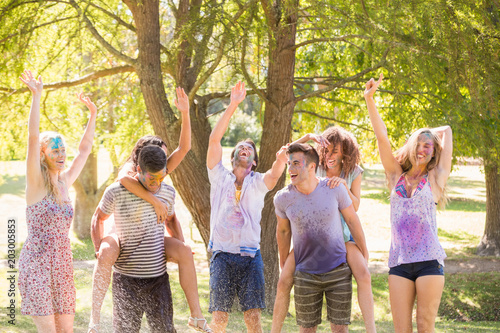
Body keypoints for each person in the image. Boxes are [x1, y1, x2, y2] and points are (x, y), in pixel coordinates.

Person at [88, 88, 212, 332]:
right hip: (124, 244)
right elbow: (122, 184)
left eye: (164, 160)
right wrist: (154, 201)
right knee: (107, 253)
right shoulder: (126, 176)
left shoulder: (163, 177)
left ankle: (196, 316)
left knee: (184, 252)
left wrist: (185, 113)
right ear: (140, 164)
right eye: (160, 155)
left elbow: (184, 148)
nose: (164, 161)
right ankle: (94, 318)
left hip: (155, 264)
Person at [364, 73, 452, 332]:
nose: (423, 149)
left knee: (425, 325)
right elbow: (382, 137)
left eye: (428, 146)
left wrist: (426, 133)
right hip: (400, 263)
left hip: (429, 262)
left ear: (434, 152)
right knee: (400, 329)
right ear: (411, 145)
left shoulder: (436, 179)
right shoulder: (395, 176)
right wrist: (370, 99)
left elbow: (447, 131)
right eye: (419, 144)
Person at [271, 128, 376, 333]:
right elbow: (287, 154)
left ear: (344, 152)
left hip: (343, 237)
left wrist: (343, 185)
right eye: (326, 151)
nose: (329, 156)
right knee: (284, 279)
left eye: (335, 152)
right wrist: (308, 137)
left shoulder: (351, 173)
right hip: (308, 241)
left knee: (363, 273)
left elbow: (354, 211)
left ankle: (371, 329)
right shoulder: (314, 167)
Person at [18, 69, 97, 332]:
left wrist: (93, 115)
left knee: (67, 330)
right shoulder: (36, 182)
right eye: (55, 150)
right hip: (37, 264)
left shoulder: (65, 182)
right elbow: (32, 139)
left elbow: (85, 149)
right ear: (43, 154)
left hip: (63, 264)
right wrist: (37, 96)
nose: (62, 155)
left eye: (63, 150)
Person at [206, 81, 288, 333]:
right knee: (219, 316)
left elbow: (274, 175)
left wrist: (281, 161)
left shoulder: (257, 183)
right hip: (221, 254)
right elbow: (214, 139)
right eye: (241, 147)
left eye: (250, 148)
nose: (245, 149)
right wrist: (233, 105)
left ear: (253, 161)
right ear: (233, 157)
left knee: (252, 316)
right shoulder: (218, 176)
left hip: (250, 256)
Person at [91, 145, 177, 332]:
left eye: (161, 177)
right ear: (138, 169)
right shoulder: (116, 191)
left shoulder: (168, 193)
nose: (156, 184)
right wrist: (99, 249)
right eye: (151, 178)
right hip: (126, 280)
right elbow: (98, 218)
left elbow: (171, 221)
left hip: (158, 280)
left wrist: (180, 248)